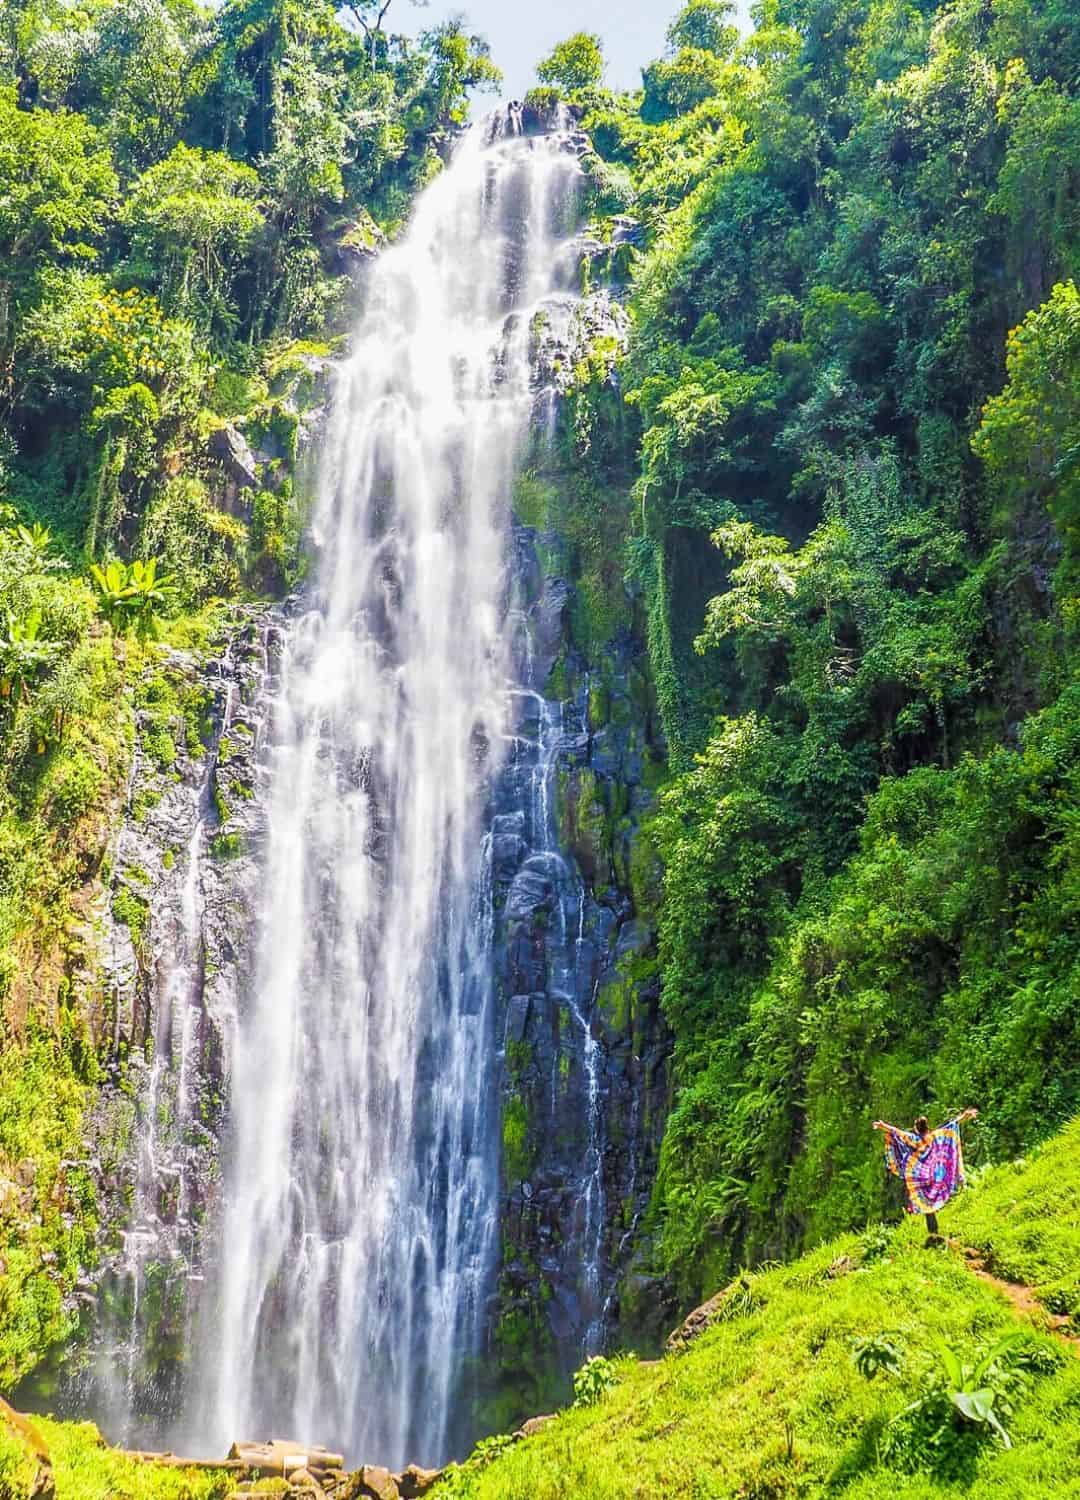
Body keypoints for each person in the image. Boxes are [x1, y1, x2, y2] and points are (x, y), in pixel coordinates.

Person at [872, 1108, 979, 1241]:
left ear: (916, 1129)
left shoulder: (912, 1139)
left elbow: (896, 1132)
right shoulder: (934, 1137)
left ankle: (933, 1233)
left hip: (919, 1179)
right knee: (934, 1201)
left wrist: (882, 1126)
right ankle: (936, 1231)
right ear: (927, 1127)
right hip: (935, 1176)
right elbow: (952, 1124)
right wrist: (965, 1115)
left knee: (927, 1208)